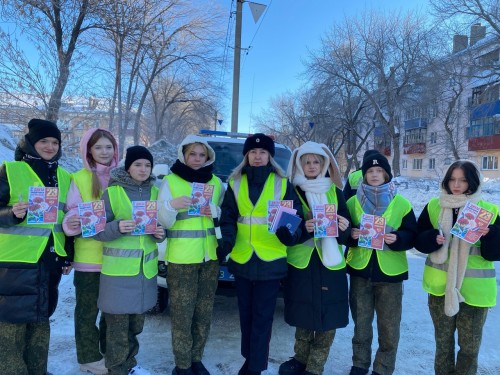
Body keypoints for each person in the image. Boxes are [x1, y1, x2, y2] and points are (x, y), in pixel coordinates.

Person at [219, 133, 304, 375]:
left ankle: (255, 367)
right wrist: (226, 242)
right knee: (246, 316)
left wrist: (290, 234)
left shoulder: (282, 183)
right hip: (243, 257)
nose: (258, 157)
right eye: (253, 153)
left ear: (270, 156)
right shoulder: (235, 182)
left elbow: (294, 216)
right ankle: (250, 359)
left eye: (263, 153)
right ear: (247, 156)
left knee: (263, 318)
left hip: (270, 259)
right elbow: (228, 218)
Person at [0, 118, 72, 375]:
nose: (50, 146)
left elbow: (66, 222)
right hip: (14, 264)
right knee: (11, 327)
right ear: (31, 143)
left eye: (55, 142)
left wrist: (67, 254)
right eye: (44, 141)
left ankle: (37, 370)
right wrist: (11, 213)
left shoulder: (64, 177)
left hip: (48, 261)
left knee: (41, 322)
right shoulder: (10, 169)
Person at [414, 160, 500, 375]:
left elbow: (494, 253)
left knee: (469, 350)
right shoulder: (435, 205)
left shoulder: (488, 210)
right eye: (452, 179)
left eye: (462, 179)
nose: (457, 184)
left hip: (474, 292)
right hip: (439, 288)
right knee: (443, 346)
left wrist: (491, 236)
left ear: (473, 181)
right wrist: (431, 238)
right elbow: (418, 239)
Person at [278, 142, 351, 375]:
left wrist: (344, 227)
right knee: (303, 312)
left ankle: (316, 364)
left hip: (331, 263)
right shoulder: (290, 191)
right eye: (306, 162)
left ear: (324, 164)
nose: (311, 166)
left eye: (316, 162)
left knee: (329, 315)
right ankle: (300, 359)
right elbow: (284, 231)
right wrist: (305, 227)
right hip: (303, 261)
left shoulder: (335, 191)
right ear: (299, 165)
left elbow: (348, 232)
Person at [93, 145, 165, 375]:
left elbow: (163, 227)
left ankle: (130, 365)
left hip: (145, 272)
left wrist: (161, 233)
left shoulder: (156, 193)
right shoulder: (112, 192)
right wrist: (117, 227)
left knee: (136, 326)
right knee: (117, 328)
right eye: (138, 164)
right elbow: (94, 230)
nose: (143, 169)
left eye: (147, 165)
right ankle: (117, 369)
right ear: (128, 167)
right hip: (118, 274)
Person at [157, 135, 225, 375]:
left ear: (208, 157)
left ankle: (196, 359)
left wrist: (214, 210)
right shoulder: (170, 181)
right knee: (182, 315)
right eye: (192, 154)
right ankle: (182, 364)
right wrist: (171, 205)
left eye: (202, 155)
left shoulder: (216, 182)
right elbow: (161, 220)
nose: (197, 159)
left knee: (204, 312)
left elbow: (224, 217)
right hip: (181, 258)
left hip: (209, 258)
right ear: (183, 155)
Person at [346, 151, 417, 375]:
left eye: (379, 171)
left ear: (386, 174)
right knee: (361, 325)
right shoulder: (351, 201)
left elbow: (412, 234)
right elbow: (342, 232)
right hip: (360, 270)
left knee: (389, 327)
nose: (374, 175)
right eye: (370, 171)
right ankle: (359, 364)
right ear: (364, 175)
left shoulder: (402, 203)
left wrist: (399, 239)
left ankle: (383, 368)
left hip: (390, 275)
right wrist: (352, 235)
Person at [63, 128, 119, 375]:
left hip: (117, 259)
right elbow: (71, 211)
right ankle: (88, 357)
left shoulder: (122, 177)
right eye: (98, 147)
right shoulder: (80, 178)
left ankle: (110, 353)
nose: (104, 152)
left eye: (108, 147)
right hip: (88, 260)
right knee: (87, 312)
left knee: (112, 312)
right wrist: (71, 222)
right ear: (89, 150)